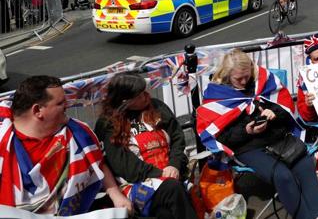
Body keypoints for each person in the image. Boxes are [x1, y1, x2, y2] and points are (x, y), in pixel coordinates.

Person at [197, 49, 318, 219]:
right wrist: (247, 130)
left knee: (304, 163)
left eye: (247, 76)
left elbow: (285, 107)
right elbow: (221, 138)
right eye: (239, 79)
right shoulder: (216, 96)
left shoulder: (262, 80)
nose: (244, 82)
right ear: (227, 74)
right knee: (283, 176)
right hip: (246, 146)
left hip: (275, 136)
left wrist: (274, 113)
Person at [0, 75, 132, 215]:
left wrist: (115, 194)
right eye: (60, 103)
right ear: (37, 110)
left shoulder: (78, 133)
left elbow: (97, 163)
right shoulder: (4, 142)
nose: (67, 105)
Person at [95, 73, 197, 219]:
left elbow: (177, 138)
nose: (146, 95)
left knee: (166, 213)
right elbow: (124, 166)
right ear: (126, 101)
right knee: (172, 188)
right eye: (140, 94)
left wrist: (174, 165)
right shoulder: (108, 123)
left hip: (170, 173)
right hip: (137, 184)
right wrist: (161, 174)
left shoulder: (157, 106)